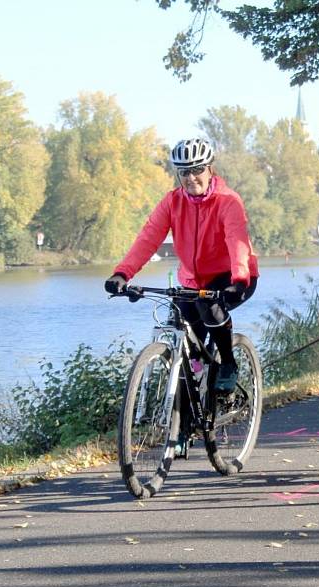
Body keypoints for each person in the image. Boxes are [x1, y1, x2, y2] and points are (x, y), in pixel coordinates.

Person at [105, 137, 259, 394]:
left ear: (210, 169)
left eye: (197, 169)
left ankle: (228, 364)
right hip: (191, 281)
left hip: (232, 276)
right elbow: (148, 238)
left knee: (209, 307)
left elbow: (237, 241)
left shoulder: (227, 201)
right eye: (184, 172)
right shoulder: (172, 202)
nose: (191, 178)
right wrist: (123, 273)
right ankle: (185, 410)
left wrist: (239, 279)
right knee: (183, 332)